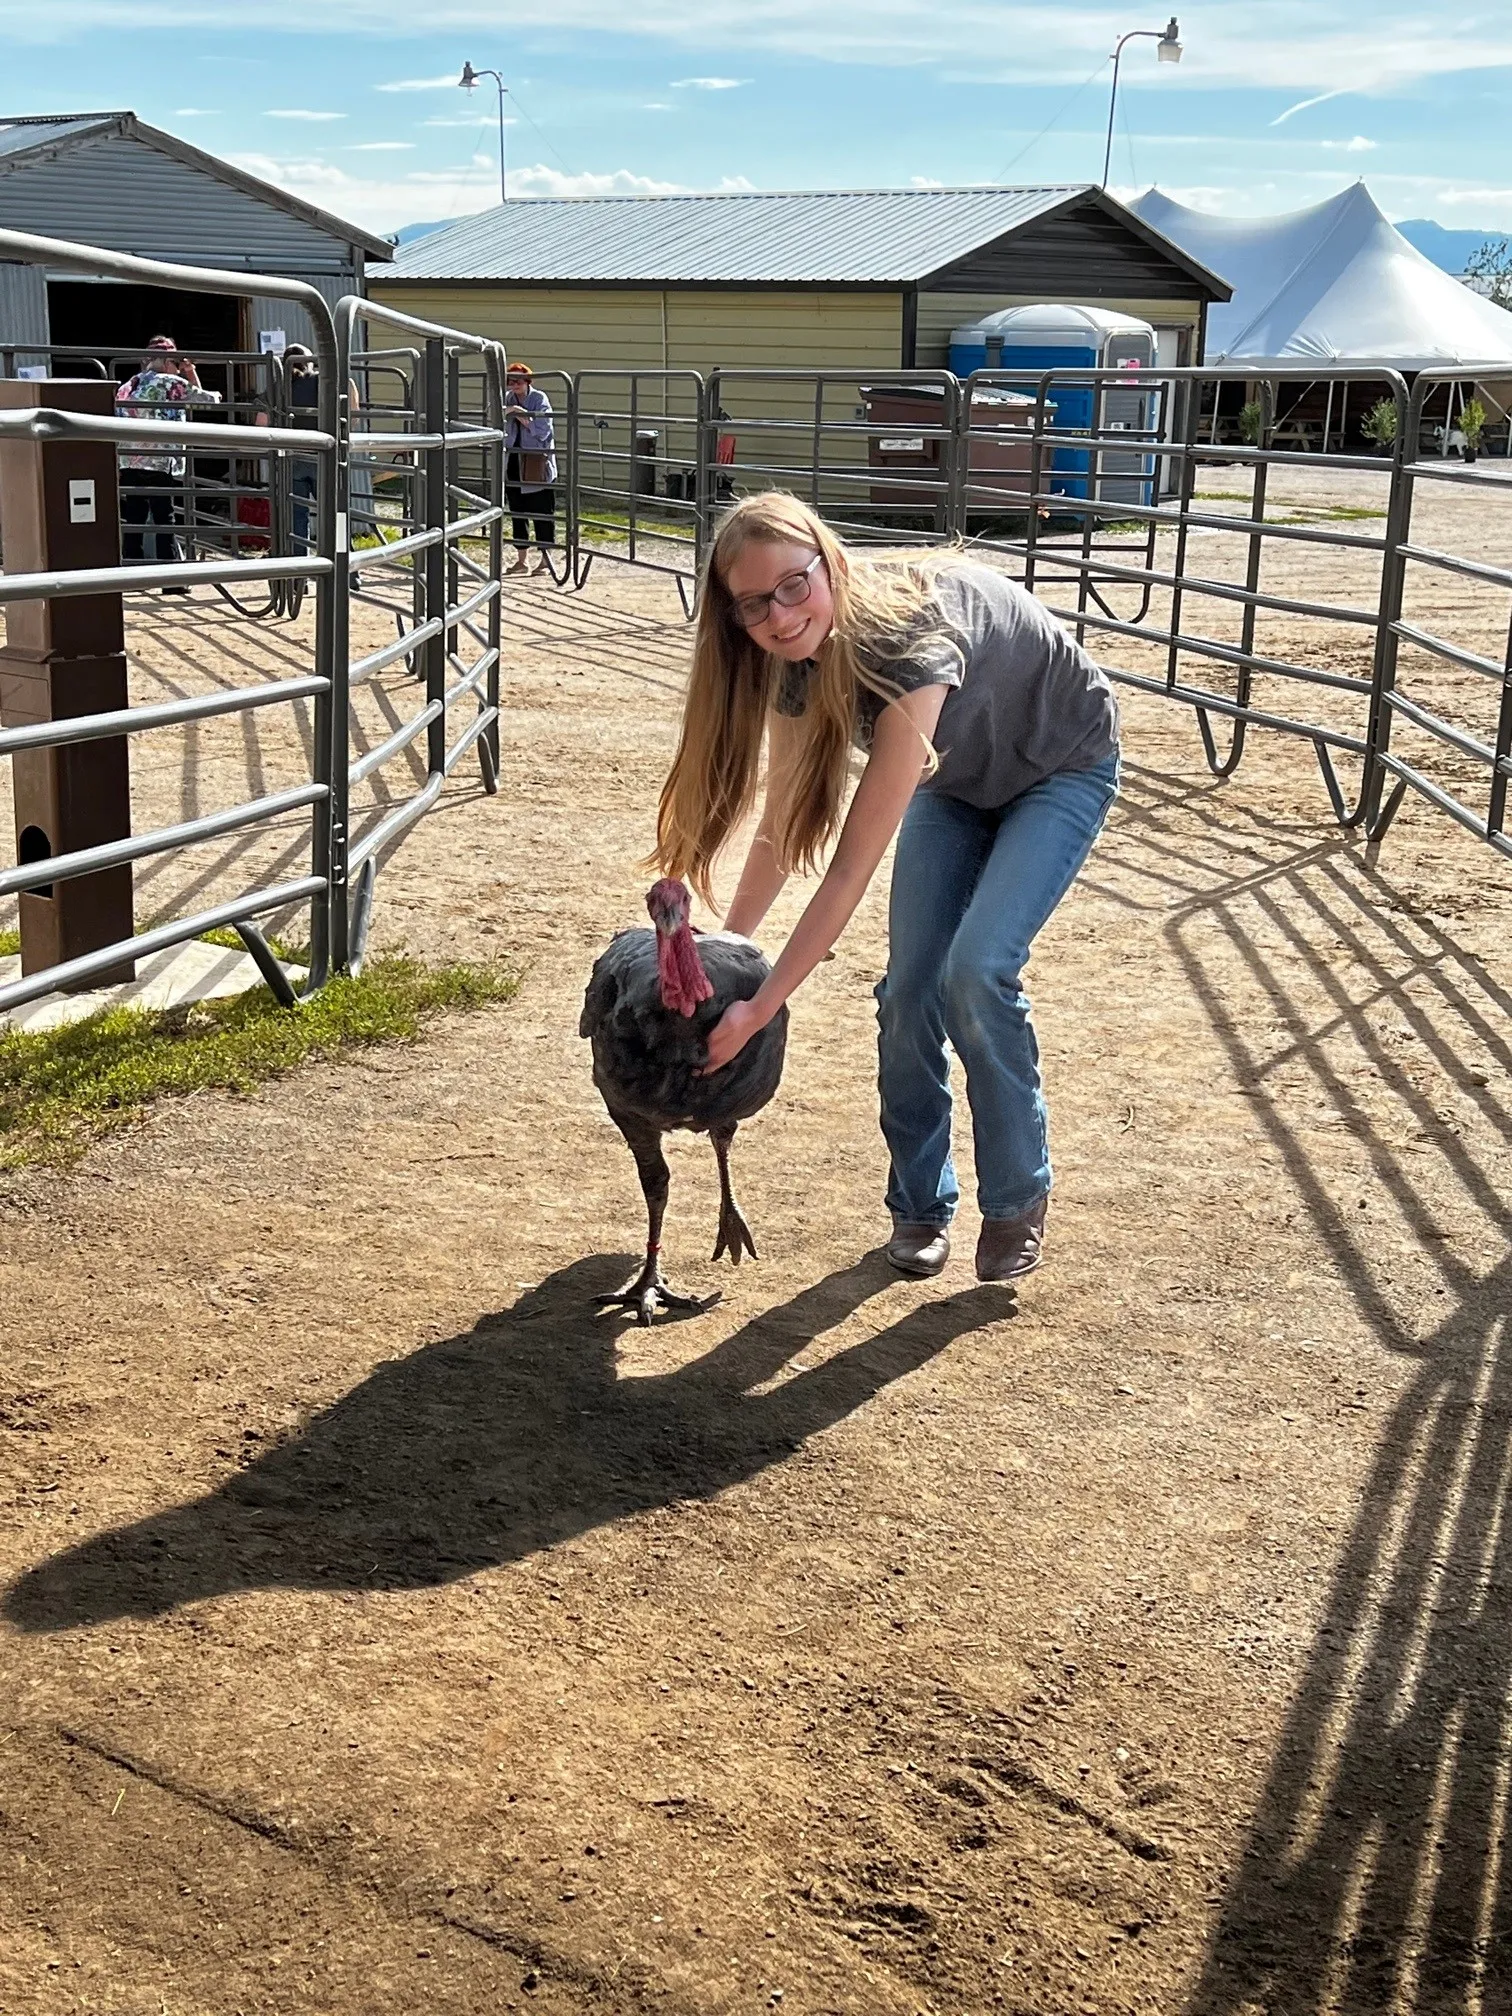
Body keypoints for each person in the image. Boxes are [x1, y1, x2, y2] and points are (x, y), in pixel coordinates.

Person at [653, 493, 1120, 1285]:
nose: (780, 614)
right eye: (753, 605)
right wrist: (728, 952)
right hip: (958, 781)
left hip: (1057, 764)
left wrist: (761, 1007)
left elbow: (849, 868)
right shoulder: (796, 660)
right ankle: (919, 1204)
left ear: (827, 561)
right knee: (908, 989)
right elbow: (782, 822)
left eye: (794, 585)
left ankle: (1015, 1198)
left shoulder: (906, 642)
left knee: (975, 970)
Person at [115, 336, 221, 593]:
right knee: (165, 517)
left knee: (135, 516)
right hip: (160, 461)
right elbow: (210, 400)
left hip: (129, 459)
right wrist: (190, 371)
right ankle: (172, 578)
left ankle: (133, 575)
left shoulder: (129, 385)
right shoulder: (171, 383)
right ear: (167, 361)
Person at [504, 362, 556, 574]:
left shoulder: (539, 399)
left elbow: (542, 430)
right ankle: (521, 560)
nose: (514, 385)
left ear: (527, 381)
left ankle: (545, 559)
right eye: (510, 381)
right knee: (517, 509)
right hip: (514, 460)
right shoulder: (508, 399)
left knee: (542, 510)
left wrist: (519, 413)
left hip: (536, 460)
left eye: (518, 380)